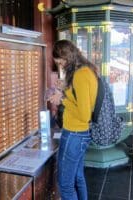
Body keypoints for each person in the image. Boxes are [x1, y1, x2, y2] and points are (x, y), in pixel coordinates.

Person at [48, 40, 98, 200]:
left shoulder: (80, 75)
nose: (60, 66)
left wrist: (61, 99)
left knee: (65, 185)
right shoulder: (85, 70)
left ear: (67, 57)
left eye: (60, 62)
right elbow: (81, 98)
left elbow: (84, 114)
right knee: (77, 178)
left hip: (75, 134)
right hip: (81, 134)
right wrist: (65, 88)